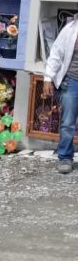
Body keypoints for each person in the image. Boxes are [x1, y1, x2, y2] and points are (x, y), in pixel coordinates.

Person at [43, 16, 78, 174]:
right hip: (72, 81)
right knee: (68, 123)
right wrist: (48, 78)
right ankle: (65, 157)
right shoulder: (70, 29)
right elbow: (56, 54)